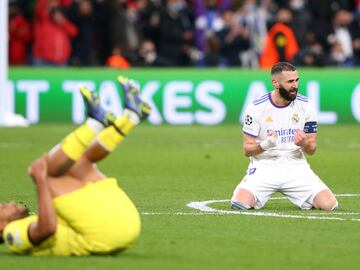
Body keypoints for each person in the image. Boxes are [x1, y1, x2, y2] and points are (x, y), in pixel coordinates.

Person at [0, 76, 151, 255]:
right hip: (106, 236)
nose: (6, 203)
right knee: (48, 171)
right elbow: (47, 229)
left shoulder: (27, 224)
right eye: (1, 208)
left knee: (79, 164)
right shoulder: (11, 236)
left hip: (125, 226)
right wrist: (40, 179)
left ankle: (130, 117)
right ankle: (95, 123)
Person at [231, 62, 338, 211]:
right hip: (265, 166)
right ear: (275, 83)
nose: (295, 85)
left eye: (297, 80)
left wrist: (305, 143)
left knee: (329, 205)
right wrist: (266, 145)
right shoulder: (256, 107)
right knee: (240, 203)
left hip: (296, 165)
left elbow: (312, 148)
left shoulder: (307, 105)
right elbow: (247, 149)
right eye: (290, 82)